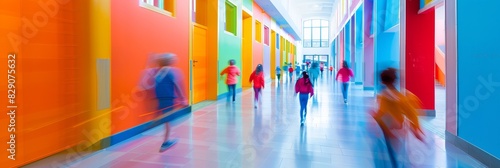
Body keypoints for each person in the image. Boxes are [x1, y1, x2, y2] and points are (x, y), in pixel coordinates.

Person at [370, 68, 425, 167]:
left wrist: (387, 129)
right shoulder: (401, 97)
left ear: (382, 82)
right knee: (401, 152)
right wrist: (416, 129)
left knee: (391, 154)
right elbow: (411, 113)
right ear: (395, 81)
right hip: (400, 128)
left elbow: (382, 114)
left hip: (389, 129)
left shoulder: (383, 97)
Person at [152, 53, 188, 152]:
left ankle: (165, 139)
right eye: (173, 59)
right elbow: (177, 85)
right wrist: (183, 98)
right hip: (168, 99)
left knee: (166, 119)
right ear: (170, 61)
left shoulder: (158, 71)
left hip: (160, 98)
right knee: (168, 121)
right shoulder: (171, 71)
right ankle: (165, 142)